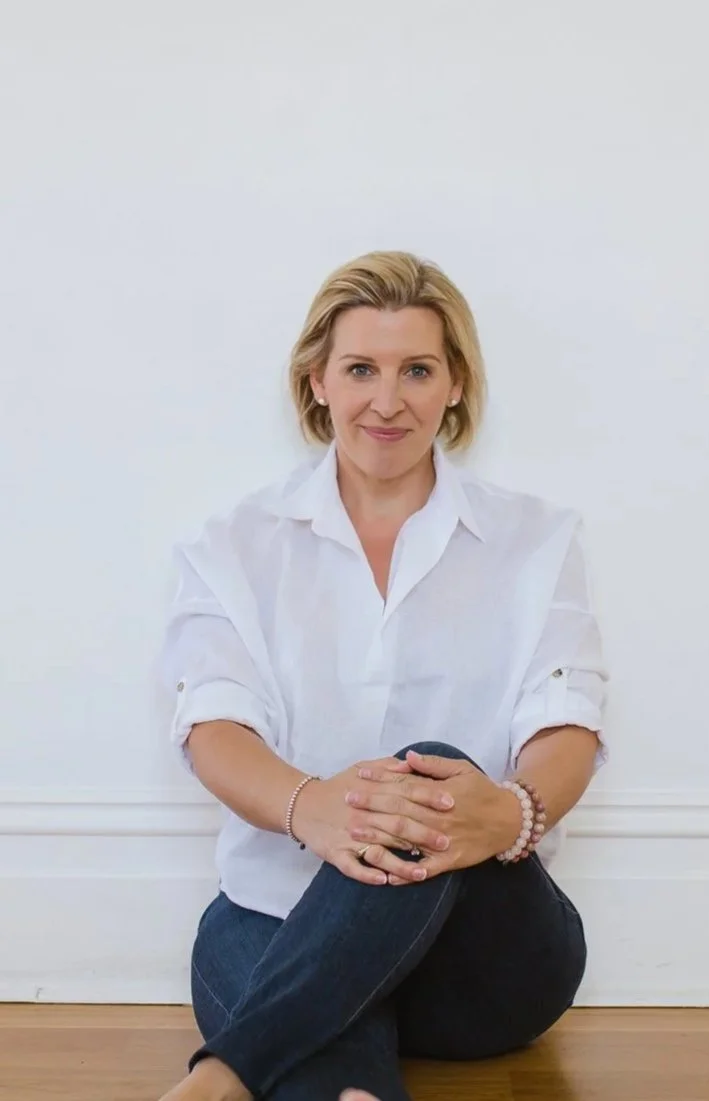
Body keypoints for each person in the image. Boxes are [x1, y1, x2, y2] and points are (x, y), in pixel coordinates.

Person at [157, 251, 608, 1101]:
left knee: (429, 772)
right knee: (319, 1017)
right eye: (361, 368)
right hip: (280, 920)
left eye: (417, 370)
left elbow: (567, 720)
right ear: (317, 381)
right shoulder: (231, 544)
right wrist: (312, 807)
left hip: (483, 958)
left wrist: (510, 811)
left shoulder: (538, 538)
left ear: (455, 384)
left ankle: (219, 1077)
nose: (388, 400)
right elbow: (214, 725)